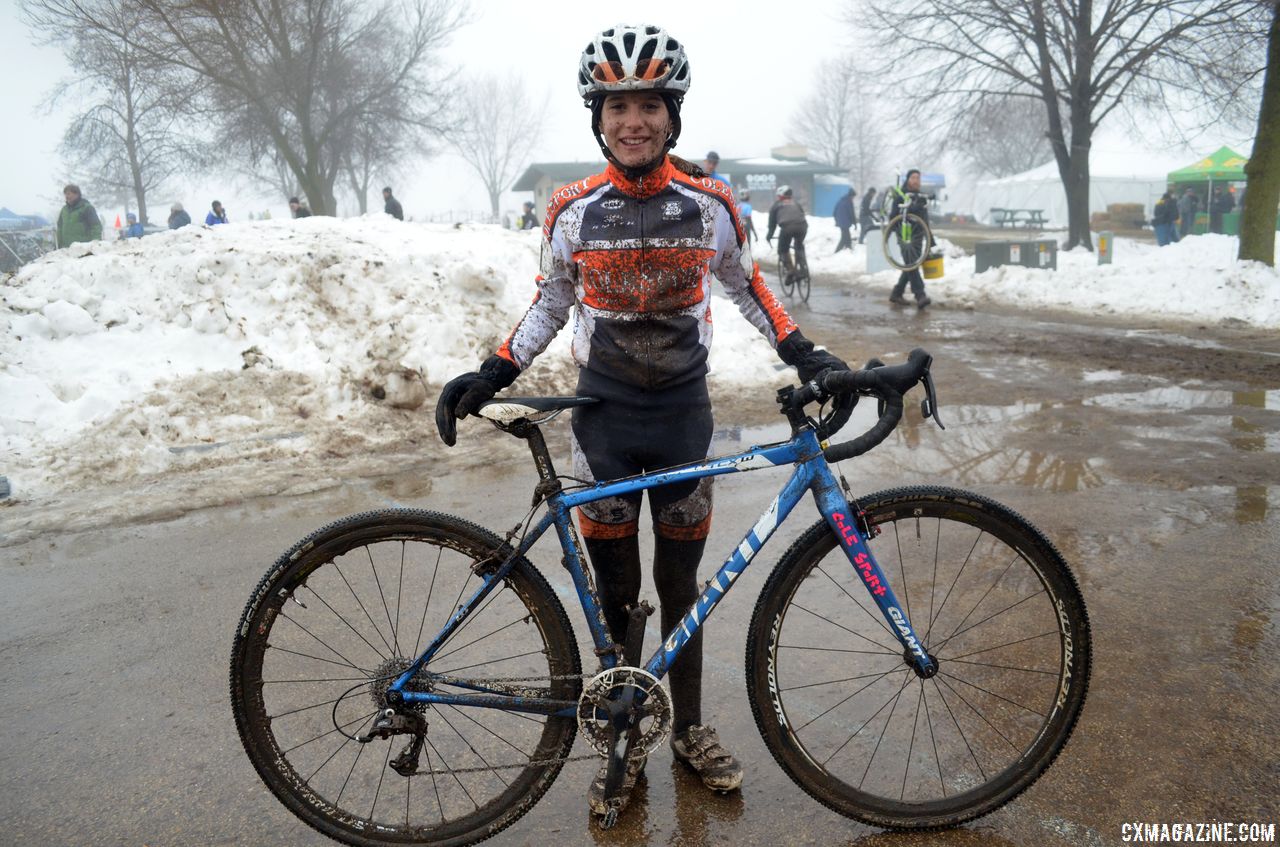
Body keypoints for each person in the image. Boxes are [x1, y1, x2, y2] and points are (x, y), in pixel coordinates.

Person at [434, 23, 848, 820]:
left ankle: (687, 727)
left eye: (650, 104)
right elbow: (552, 301)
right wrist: (493, 370)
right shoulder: (571, 210)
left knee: (682, 585)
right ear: (598, 117)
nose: (635, 120)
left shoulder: (712, 203)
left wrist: (807, 353)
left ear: (673, 114)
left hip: (684, 419)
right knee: (619, 588)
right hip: (604, 424)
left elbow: (748, 287)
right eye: (618, 104)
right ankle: (623, 739)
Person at [887, 170, 932, 308]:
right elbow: (894, 216)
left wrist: (930, 237)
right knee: (911, 264)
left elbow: (924, 219)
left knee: (911, 265)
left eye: (918, 178)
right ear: (907, 180)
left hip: (918, 235)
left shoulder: (921, 196)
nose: (916, 180)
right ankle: (920, 295)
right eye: (913, 177)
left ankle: (897, 292)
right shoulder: (901, 196)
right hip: (905, 235)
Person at [766, 185, 808, 281]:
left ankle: (791, 271)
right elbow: (801, 214)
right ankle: (803, 268)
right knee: (799, 245)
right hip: (802, 226)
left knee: (782, 249)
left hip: (787, 228)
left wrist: (769, 235)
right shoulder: (796, 203)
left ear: (780, 195)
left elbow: (772, 223)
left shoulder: (776, 205)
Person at [55, 183, 103, 247]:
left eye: (69, 194)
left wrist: (96, 242)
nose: (67, 196)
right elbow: (60, 227)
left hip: (84, 248)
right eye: (65, 194)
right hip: (67, 248)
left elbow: (95, 226)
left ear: (76, 194)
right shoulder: (64, 210)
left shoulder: (86, 208)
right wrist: (59, 244)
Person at [833, 186, 856, 253]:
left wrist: (837, 220)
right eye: (853, 197)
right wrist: (854, 222)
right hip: (845, 223)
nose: (853, 198)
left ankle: (848, 249)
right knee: (844, 238)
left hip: (840, 222)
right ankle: (837, 252)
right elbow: (851, 213)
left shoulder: (840, 201)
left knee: (846, 237)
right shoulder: (849, 202)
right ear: (851, 196)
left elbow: (834, 212)